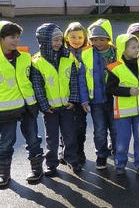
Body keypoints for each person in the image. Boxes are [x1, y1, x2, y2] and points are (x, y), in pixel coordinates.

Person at [0, 21, 44, 188]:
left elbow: (34, 79)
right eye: (11, 37)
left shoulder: (25, 55)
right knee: (7, 141)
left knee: (33, 139)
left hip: (28, 106)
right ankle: (3, 174)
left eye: (17, 37)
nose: (16, 41)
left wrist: (38, 102)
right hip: (5, 109)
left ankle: (37, 169)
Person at [30, 23, 81, 176]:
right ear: (45, 41)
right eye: (55, 40)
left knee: (69, 134)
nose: (59, 43)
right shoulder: (37, 62)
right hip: (50, 109)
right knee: (51, 138)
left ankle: (71, 158)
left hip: (66, 106)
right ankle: (51, 163)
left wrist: (73, 99)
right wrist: (44, 105)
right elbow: (37, 86)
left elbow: (73, 80)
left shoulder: (68, 57)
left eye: (60, 39)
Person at [106, 34, 139, 175]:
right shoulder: (115, 68)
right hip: (123, 113)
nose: (137, 49)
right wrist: (128, 91)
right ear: (123, 50)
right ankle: (120, 164)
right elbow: (110, 89)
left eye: (137, 46)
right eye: (133, 47)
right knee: (122, 140)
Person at [79, 19, 117, 170]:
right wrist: (84, 99)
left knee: (115, 128)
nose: (98, 42)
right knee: (100, 130)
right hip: (96, 100)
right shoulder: (87, 54)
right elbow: (82, 78)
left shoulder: (117, 52)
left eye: (102, 39)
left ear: (108, 38)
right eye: (94, 40)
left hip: (114, 98)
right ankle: (101, 155)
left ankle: (116, 150)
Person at [62, 22, 89, 164]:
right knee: (66, 126)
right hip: (65, 96)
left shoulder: (88, 53)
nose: (76, 40)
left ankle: (80, 150)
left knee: (80, 126)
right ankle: (65, 149)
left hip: (81, 96)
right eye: (73, 37)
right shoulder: (63, 52)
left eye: (80, 37)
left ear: (85, 38)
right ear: (67, 37)